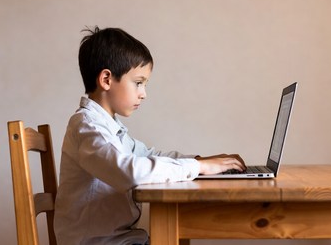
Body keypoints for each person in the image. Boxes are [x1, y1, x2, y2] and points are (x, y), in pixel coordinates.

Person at [54, 26, 246, 245]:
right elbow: (130, 171)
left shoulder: (107, 126)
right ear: (106, 79)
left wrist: (200, 161)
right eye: (138, 83)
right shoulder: (87, 127)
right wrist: (199, 168)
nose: (143, 94)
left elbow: (147, 154)